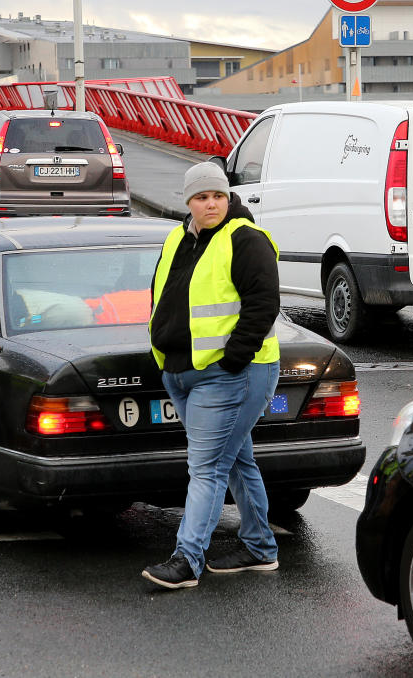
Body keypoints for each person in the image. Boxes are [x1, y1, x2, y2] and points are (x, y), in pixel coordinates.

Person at [142, 162, 281, 589]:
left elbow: (264, 304)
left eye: (218, 196)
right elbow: (160, 295)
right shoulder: (177, 238)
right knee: (236, 459)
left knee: (206, 468)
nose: (211, 204)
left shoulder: (245, 239)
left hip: (230, 373)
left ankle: (187, 560)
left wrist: (232, 361)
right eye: (202, 198)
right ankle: (260, 548)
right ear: (188, 202)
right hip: (183, 372)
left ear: (228, 197)